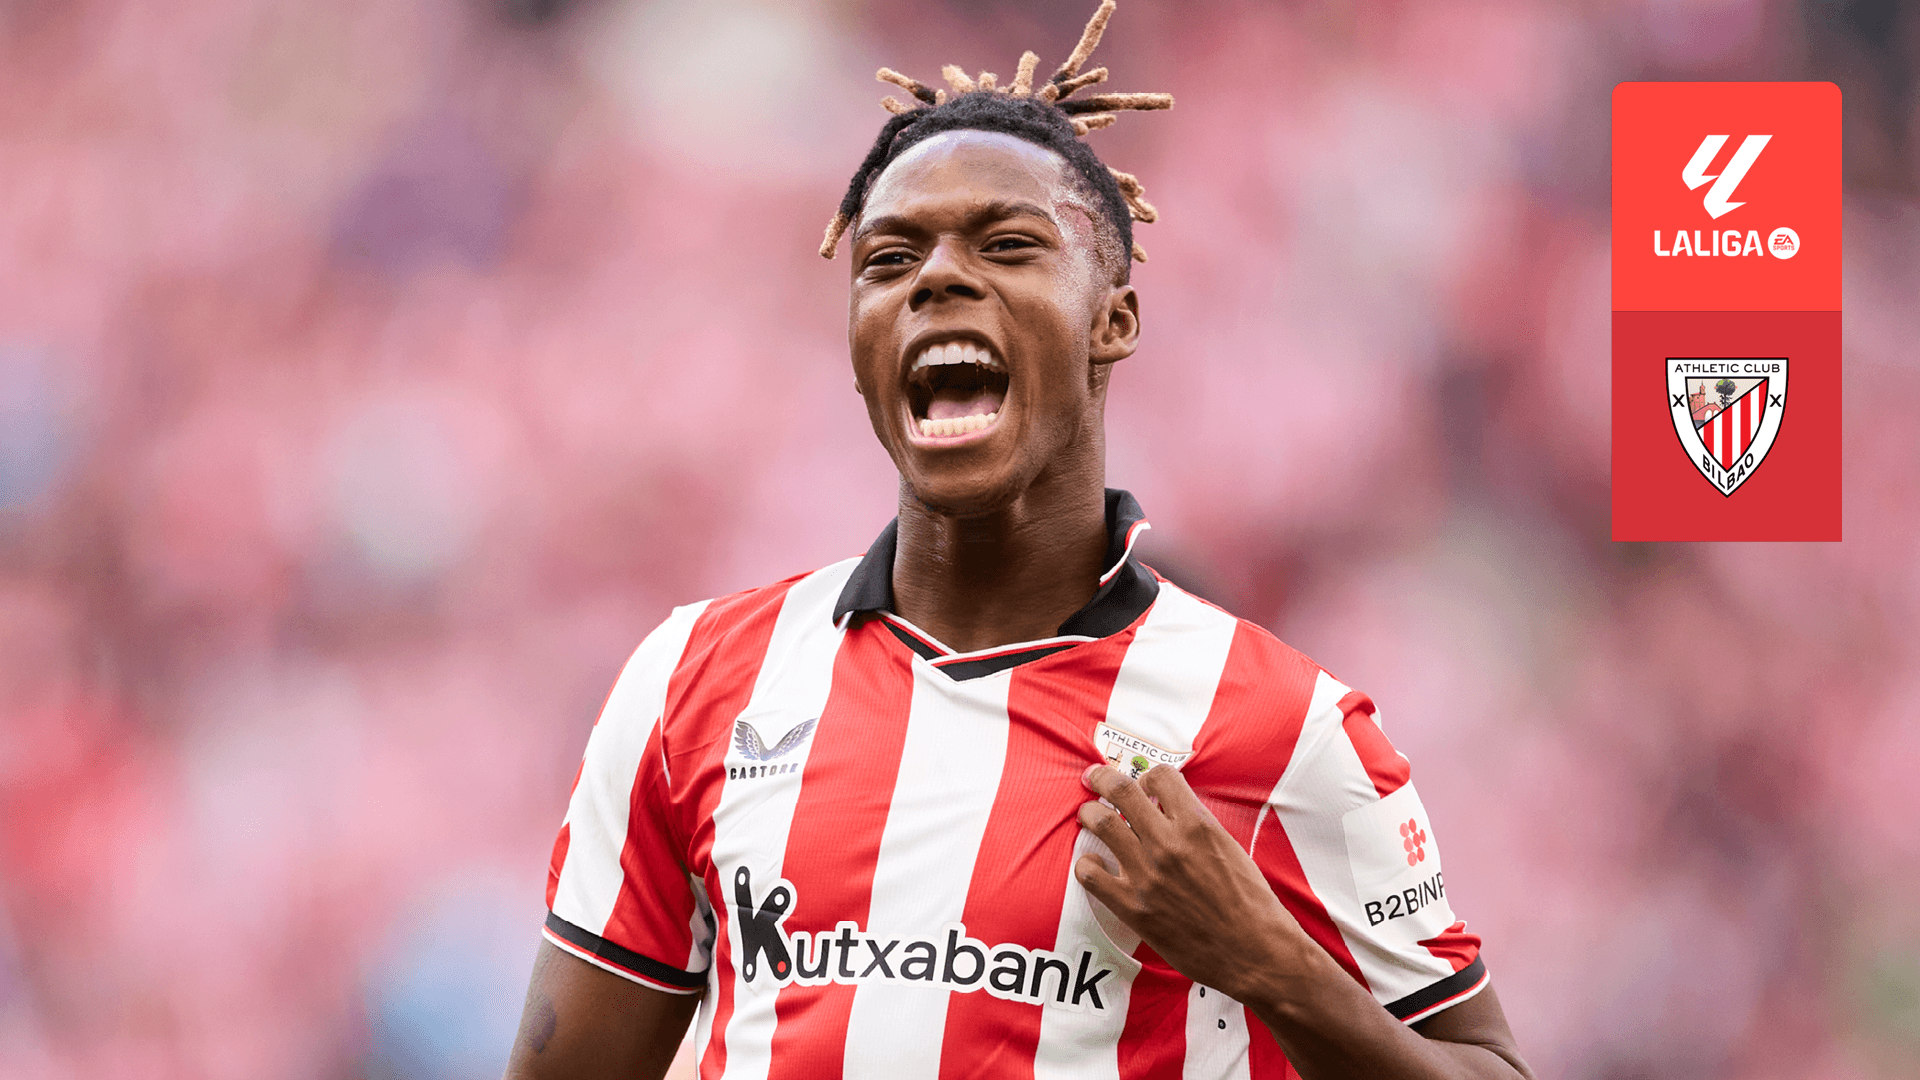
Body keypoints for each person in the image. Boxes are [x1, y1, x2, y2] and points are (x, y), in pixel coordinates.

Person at [505, 4, 1532, 1078]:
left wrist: (1270, 962)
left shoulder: (1281, 725)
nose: (936, 279)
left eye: (1006, 246)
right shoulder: (693, 681)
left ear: (1112, 321)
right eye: (889, 259)